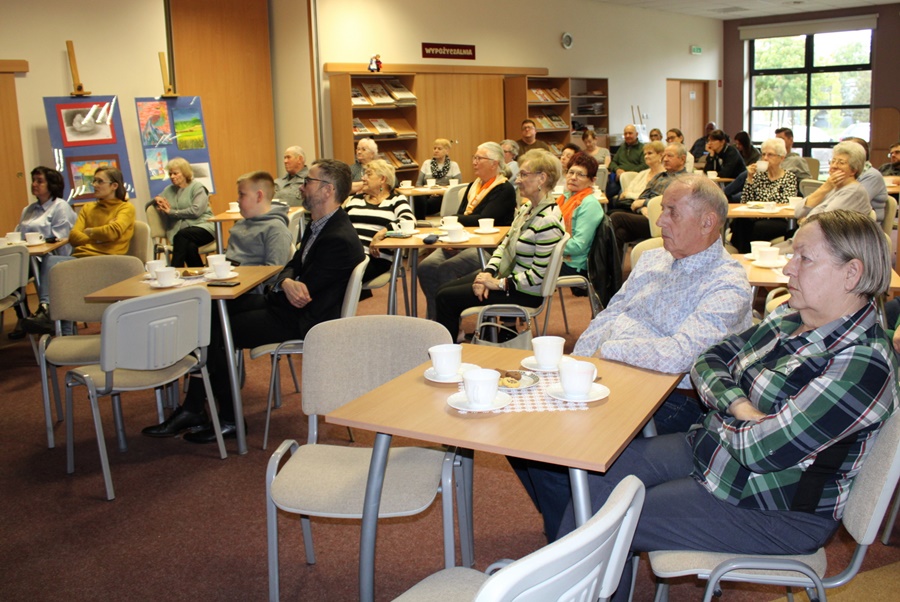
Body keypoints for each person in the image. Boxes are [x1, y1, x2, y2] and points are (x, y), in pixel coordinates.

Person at [527, 210, 899, 602]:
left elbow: (760, 452)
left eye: (804, 258)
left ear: (851, 274)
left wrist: (724, 411)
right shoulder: (791, 319)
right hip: (716, 453)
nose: (789, 267)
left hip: (773, 506)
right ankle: (574, 587)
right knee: (595, 478)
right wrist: (738, 407)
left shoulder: (861, 364)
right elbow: (707, 358)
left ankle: (569, 587)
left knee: (611, 518)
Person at [512, 174, 752, 540]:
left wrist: (609, 349)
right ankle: (579, 533)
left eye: (672, 212)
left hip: (673, 398)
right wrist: (581, 359)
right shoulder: (653, 258)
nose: (659, 221)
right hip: (612, 375)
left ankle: (577, 541)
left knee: (560, 446)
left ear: (708, 222)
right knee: (517, 430)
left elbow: (680, 356)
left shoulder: (727, 284)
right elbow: (610, 313)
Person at [142, 159, 365, 442]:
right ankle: (197, 408)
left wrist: (284, 284)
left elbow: (302, 294)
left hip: (305, 320)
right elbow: (291, 266)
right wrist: (284, 281)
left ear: (326, 190)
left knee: (217, 331)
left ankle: (225, 418)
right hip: (290, 307)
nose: (302, 187)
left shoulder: (337, 238)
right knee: (211, 313)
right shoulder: (321, 225)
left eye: (308, 182)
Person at [434, 149, 565, 339]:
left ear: (542, 178)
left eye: (523, 174)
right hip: (510, 279)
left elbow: (537, 277)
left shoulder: (548, 220)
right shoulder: (528, 208)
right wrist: (488, 273)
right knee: (443, 290)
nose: (517, 180)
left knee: (445, 298)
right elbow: (504, 245)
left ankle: (448, 357)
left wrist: (497, 284)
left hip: (525, 291)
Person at [23, 167, 135, 335]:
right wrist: (100, 233)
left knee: (54, 265)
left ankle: (49, 314)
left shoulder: (125, 208)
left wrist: (89, 232)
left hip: (108, 260)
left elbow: (113, 231)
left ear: (114, 186)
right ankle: (58, 324)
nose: (94, 185)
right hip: (81, 259)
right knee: (54, 265)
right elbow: (74, 237)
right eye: (94, 181)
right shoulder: (88, 208)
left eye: (99, 181)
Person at [417, 142, 517, 319]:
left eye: (479, 158)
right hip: (463, 242)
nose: (474, 162)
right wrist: (453, 238)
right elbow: (464, 216)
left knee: (447, 269)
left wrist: (454, 220)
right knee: (426, 267)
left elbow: (483, 219)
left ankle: (451, 320)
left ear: (494, 163)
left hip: (490, 249)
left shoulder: (504, 189)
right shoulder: (473, 186)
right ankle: (436, 319)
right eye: (474, 157)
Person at [8, 167, 76, 339]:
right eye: (33, 180)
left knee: (40, 263)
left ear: (51, 185)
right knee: (9, 275)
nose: (34, 184)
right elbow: (18, 233)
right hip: (30, 258)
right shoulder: (28, 209)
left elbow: (61, 239)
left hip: (54, 257)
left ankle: (43, 311)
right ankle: (23, 318)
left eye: (39, 181)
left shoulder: (60, 207)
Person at [344, 158, 414, 283]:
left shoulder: (396, 200)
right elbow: (340, 223)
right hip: (347, 253)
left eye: (369, 174)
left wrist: (382, 233)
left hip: (375, 258)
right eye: (364, 174)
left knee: (336, 276)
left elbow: (409, 221)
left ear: (382, 179)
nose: (363, 178)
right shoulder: (355, 199)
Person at [729, 137, 799, 253]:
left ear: (781, 158)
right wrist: (750, 179)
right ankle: (745, 255)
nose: (765, 158)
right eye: (763, 154)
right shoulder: (758, 175)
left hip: (777, 220)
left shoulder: (789, 177)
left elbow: (785, 204)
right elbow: (745, 201)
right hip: (755, 217)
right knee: (739, 221)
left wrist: (762, 205)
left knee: (756, 228)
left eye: (770, 155)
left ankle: (749, 254)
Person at [609, 143, 689, 245]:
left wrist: (646, 203)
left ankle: (597, 259)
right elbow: (640, 199)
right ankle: (611, 261)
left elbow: (671, 203)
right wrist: (642, 209)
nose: (665, 159)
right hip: (645, 215)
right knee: (620, 233)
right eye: (664, 156)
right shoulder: (659, 176)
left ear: (682, 159)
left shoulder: (685, 181)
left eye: (670, 156)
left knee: (616, 217)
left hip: (663, 220)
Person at [225, 171, 293, 289]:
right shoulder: (240, 224)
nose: (237, 200)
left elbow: (273, 274)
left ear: (259, 196)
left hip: (250, 292)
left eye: (242, 194)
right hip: (229, 285)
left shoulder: (276, 230)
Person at [152, 157, 214, 267]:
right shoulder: (169, 190)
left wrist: (172, 212)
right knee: (189, 246)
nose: (172, 177)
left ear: (185, 173)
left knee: (182, 236)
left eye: (175, 173)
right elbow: (153, 202)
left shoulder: (197, 188)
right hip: (182, 234)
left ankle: (175, 269)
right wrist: (156, 199)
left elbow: (196, 211)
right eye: (170, 174)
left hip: (204, 227)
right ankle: (198, 273)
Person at [795, 141, 872, 225]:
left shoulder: (854, 192)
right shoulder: (831, 187)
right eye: (833, 161)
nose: (834, 166)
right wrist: (824, 188)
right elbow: (798, 212)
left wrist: (804, 221)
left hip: (829, 237)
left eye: (841, 163)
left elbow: (824, 223)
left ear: (853, 170)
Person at [556, 152, 604, 277]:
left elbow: (578, 246)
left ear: (592, 180)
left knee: (524, 265)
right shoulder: (565, 197)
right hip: (559, 256)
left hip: (574, 264)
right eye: (571, 172)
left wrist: (546, 244)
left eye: (580, 174)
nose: (573, 177)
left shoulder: (589, 204)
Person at [414, 138, 462, 219]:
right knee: (418, 198)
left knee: (431, 202)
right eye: (434, 148)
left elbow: (458, 187)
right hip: (427, 194)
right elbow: (418, 183)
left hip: (443, 196)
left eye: (439, 149)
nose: (436, 151)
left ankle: (420, 219)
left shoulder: (453, 165)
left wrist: (439, 192)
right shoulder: (426, 163)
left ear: (447, 151)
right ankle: (420, 220)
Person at [843, 137, 889, 221]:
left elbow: (852, 204)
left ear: (862, 153)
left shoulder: (872, 175)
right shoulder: (844, 173)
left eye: (846, 152)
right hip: (845, 221)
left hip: (864, 226)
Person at [616, 140, 665, 207]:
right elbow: (627, 191)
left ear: (660, 155)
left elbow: (651, 199)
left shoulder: (665, 175)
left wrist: (629, 195)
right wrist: (629, 195)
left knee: (615, 214)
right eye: (645, 154)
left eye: (649, 153)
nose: (646, 156)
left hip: (648, 208)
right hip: (632, 205)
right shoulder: (642, 174)